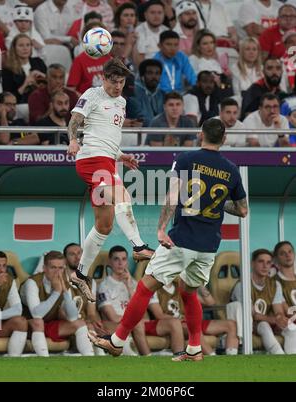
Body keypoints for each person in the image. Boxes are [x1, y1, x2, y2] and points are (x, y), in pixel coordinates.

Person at [90, 118, 248, 361]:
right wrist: (216, 203)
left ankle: (117, 340)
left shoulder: (186, 159)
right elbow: (243, 210)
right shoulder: (231, 170)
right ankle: (194, 348)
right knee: (189, 291)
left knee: (145, 286)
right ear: (224, 139)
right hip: (208, 246)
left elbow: (172, 197)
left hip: (182, 240)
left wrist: (161, 228)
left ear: (200, 135)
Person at [67, 58, 154, 302]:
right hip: (91, 159)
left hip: (107, 159)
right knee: (123, 196)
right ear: (103, 78)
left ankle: (80, 274)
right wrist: (73, 140)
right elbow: (75, 121)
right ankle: (138, 247)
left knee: (104, 225)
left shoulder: (122, 101)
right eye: (113, 82)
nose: (117, 87)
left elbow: (105, 133)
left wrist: (120, 155)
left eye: (121, 82)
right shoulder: (92, 94)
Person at [94, 245, 185, 357]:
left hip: (139, 323)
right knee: (136, 323)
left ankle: (179, 357)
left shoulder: (134, 283)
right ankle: (148, 358)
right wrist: (136, 319)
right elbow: (112, 317)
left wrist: (128, 286)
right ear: (110, 262)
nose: (120, 263)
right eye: (116, 259)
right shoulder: (104, 286)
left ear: (127, 261)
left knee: (174, 322)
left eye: (123, 259)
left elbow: (144, 312)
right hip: (118, 324)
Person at [20, 250, 94, 357]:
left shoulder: (64, 283)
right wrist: (56, 292)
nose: (57, 272)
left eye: (60, 268)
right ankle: (45, 359)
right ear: (44, 268)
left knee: (80, 323)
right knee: (38, 322)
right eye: (53, 267)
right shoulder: (32, 282)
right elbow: (37, 314)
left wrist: (64, 292)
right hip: (27, 327)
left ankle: (90, 358)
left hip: (49, 325)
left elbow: (73, 317)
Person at [232, 248, 296, 354]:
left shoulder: (275, 285)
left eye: (268, 262)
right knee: (264, 325)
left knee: (291, 327)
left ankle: (292, 359)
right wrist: (274, 320)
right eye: (261, 261)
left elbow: (278, 310)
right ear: (252, 264)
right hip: (247, 326)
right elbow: (253, 315)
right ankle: (279, 356)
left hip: (268, 321)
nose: (265, 266)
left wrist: (280, 318)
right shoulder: (242, 285)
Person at [0, 250, 28, 356]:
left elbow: (17, 309)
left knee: (21, 321)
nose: (1, 270)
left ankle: (14, 360)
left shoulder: (9, 280)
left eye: (4, 266)